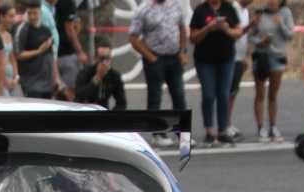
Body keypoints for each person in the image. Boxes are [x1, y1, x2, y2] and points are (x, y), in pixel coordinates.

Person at [129, 0, 187, 147]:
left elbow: (182, 28)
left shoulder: (175, 5)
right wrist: (150, 57)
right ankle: (157, 133)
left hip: (174, 57)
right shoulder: (143, 9)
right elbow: (133, 37)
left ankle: (183, 135)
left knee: (179, 95)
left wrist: (182, 51)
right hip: (155, 57)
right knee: (155, 96)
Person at [190, 0, 242, 146]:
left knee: (224, 94)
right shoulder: (200, 10)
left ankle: (222, 130)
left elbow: (238, 32)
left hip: (226, 59)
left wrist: (226, 29)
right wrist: (208, 28)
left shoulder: (228, 8)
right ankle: (209, 130)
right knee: (208, 94)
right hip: (205, 60)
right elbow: (193, 37)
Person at [249, 0, 293, 142]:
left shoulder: (285, 13)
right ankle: (261, 127)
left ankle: (273, 126)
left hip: (277, 57)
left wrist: (280, 24)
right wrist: (260, 42)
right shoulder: (260, 13)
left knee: (273, 94)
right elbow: (251, 35)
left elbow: (290, 35)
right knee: (260, 93)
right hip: (261, 56)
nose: (272, 1)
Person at [15, 0, 57, 99]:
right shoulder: (23, 29)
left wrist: (55, 78)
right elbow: (19, 54)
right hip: (31, 83)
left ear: (40, 13)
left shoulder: (46, 30)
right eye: (29, 13)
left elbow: (51, 56)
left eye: (35, 13)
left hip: (47, 83)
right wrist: (38, 51)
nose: (32, 17)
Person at [74, 35, 124, 109]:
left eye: (107, 58)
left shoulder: (114, 76)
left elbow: (121, 103)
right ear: (96, 58)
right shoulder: (85, 72)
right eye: (102, 58)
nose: (104, 62)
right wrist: (97, 78)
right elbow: (79, 95)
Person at [224, 0, 248, 138]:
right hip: (230, 57)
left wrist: (244, 57)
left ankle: (228, 123)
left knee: (233, 92)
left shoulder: (245, 11)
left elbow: (244, 38)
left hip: (239, 57)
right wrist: (252, 25)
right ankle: (224, 124)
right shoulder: (233, 9)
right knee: (227, 93)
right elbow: (235, 33)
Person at [52, 0, 83, 97]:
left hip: (51, 54)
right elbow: (69, 30)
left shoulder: (47, 4)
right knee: (69, 93)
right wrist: (80, 51)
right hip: (66, 54)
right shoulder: (68, 3)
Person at [0, 3, 16, 94]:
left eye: (14, 16)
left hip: (12, 81)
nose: (13, 20)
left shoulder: (9, 35)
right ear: (1, 17)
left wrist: (16, 77)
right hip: (0, 80)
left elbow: (12, 58)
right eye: (10, 16)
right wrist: (5, 82)